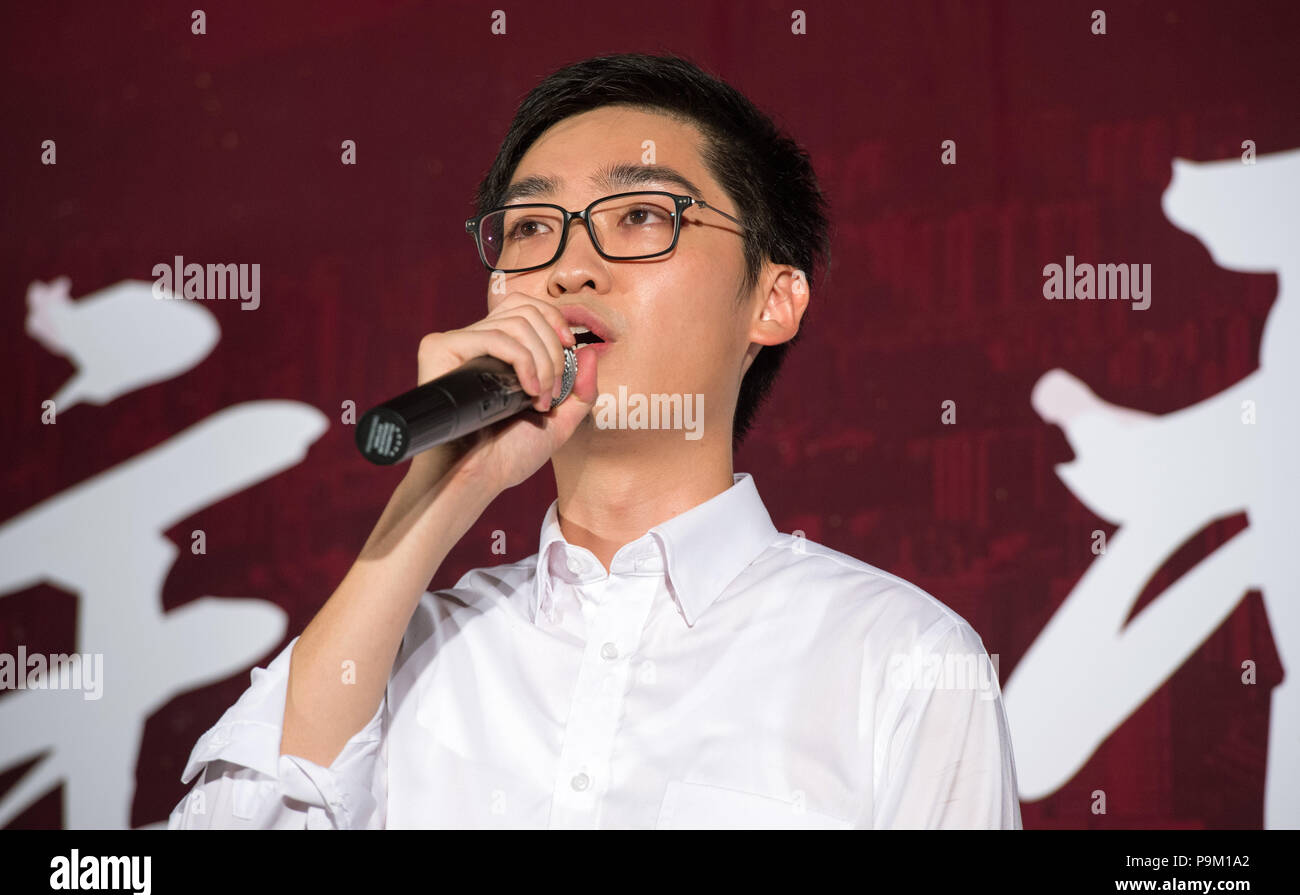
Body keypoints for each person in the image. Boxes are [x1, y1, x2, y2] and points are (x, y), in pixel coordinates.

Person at [169, 52, 1022, 829]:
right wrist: (446, 488)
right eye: (534, 227)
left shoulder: (899, 660)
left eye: (644, 214)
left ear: (774, 299)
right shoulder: (405, 653)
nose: (570, 267)